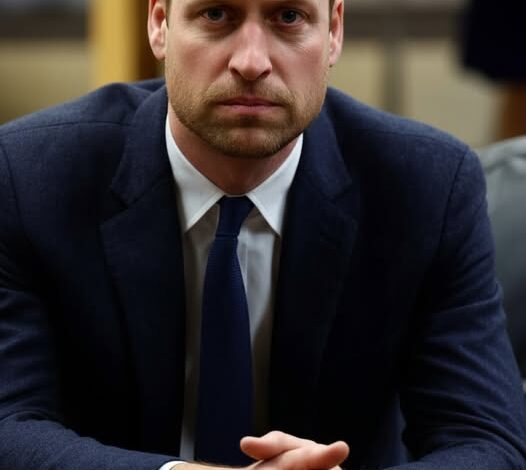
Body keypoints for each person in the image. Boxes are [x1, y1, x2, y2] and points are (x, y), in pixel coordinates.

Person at [0, 0, 525, 469]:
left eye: (289, 17)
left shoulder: (428, 186)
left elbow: (487, 441)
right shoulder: (30, 178)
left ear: (334, 32)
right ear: (159, 24)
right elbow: (9, 425)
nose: (251, 62)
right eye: (216, 15)